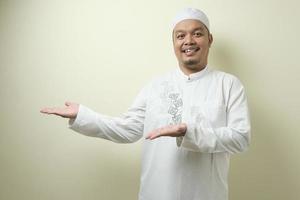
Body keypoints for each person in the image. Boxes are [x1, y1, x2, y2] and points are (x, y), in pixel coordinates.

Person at [41, 8, 251, 200]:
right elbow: (128, 130)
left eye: (197, 33)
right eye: (180, 36)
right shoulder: (156, 86)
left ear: (209, 39)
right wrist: (82, 115)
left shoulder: (228, 85)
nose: (189, 41)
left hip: (206, 194)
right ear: (174, 44)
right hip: (157, 193)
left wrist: (190, 132)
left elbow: (241, 138)